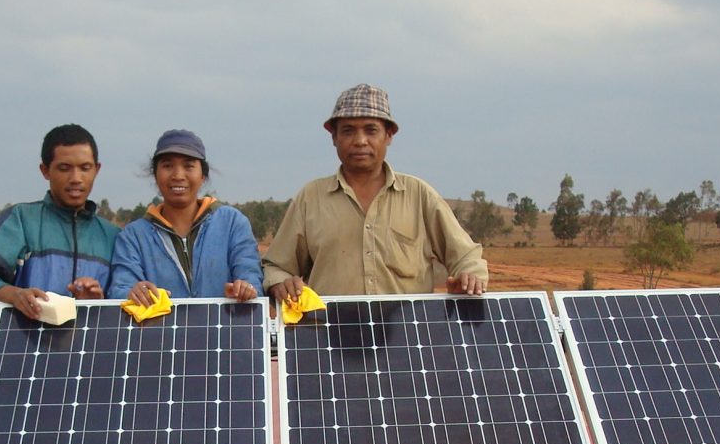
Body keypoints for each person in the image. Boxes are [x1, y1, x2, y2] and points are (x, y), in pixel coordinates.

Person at [262, 84, 488, 302]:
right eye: (348, 131)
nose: (360, 141)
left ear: (389, 135)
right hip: (331, 328)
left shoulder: (419, 196)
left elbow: (466, 257)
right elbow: (277, 267)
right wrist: (280, 283)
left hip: (404, 328)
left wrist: (469, 277)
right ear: (334, 137)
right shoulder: (311, 199)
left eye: (371, 130)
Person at [0, 123, 118, 319]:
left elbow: (124, 302)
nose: (76, 178)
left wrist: (98, 303)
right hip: (22, 337)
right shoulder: (21, 221)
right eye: (64, 168)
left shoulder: (113, 236)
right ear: (45, 170)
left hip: (89, 338)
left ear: (97, 170)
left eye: (85, 168)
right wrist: (13, 295)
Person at [107, 130, 262, 305]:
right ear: (155, 175)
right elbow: (120, 289)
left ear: (203, 175)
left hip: (227, 323)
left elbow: (251, 277)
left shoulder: (232, 223)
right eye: (167, 166)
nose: (178, 176)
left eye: (188, 166)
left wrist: (244, 289)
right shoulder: (133, 237)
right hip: (157, 325)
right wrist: (132, 293)